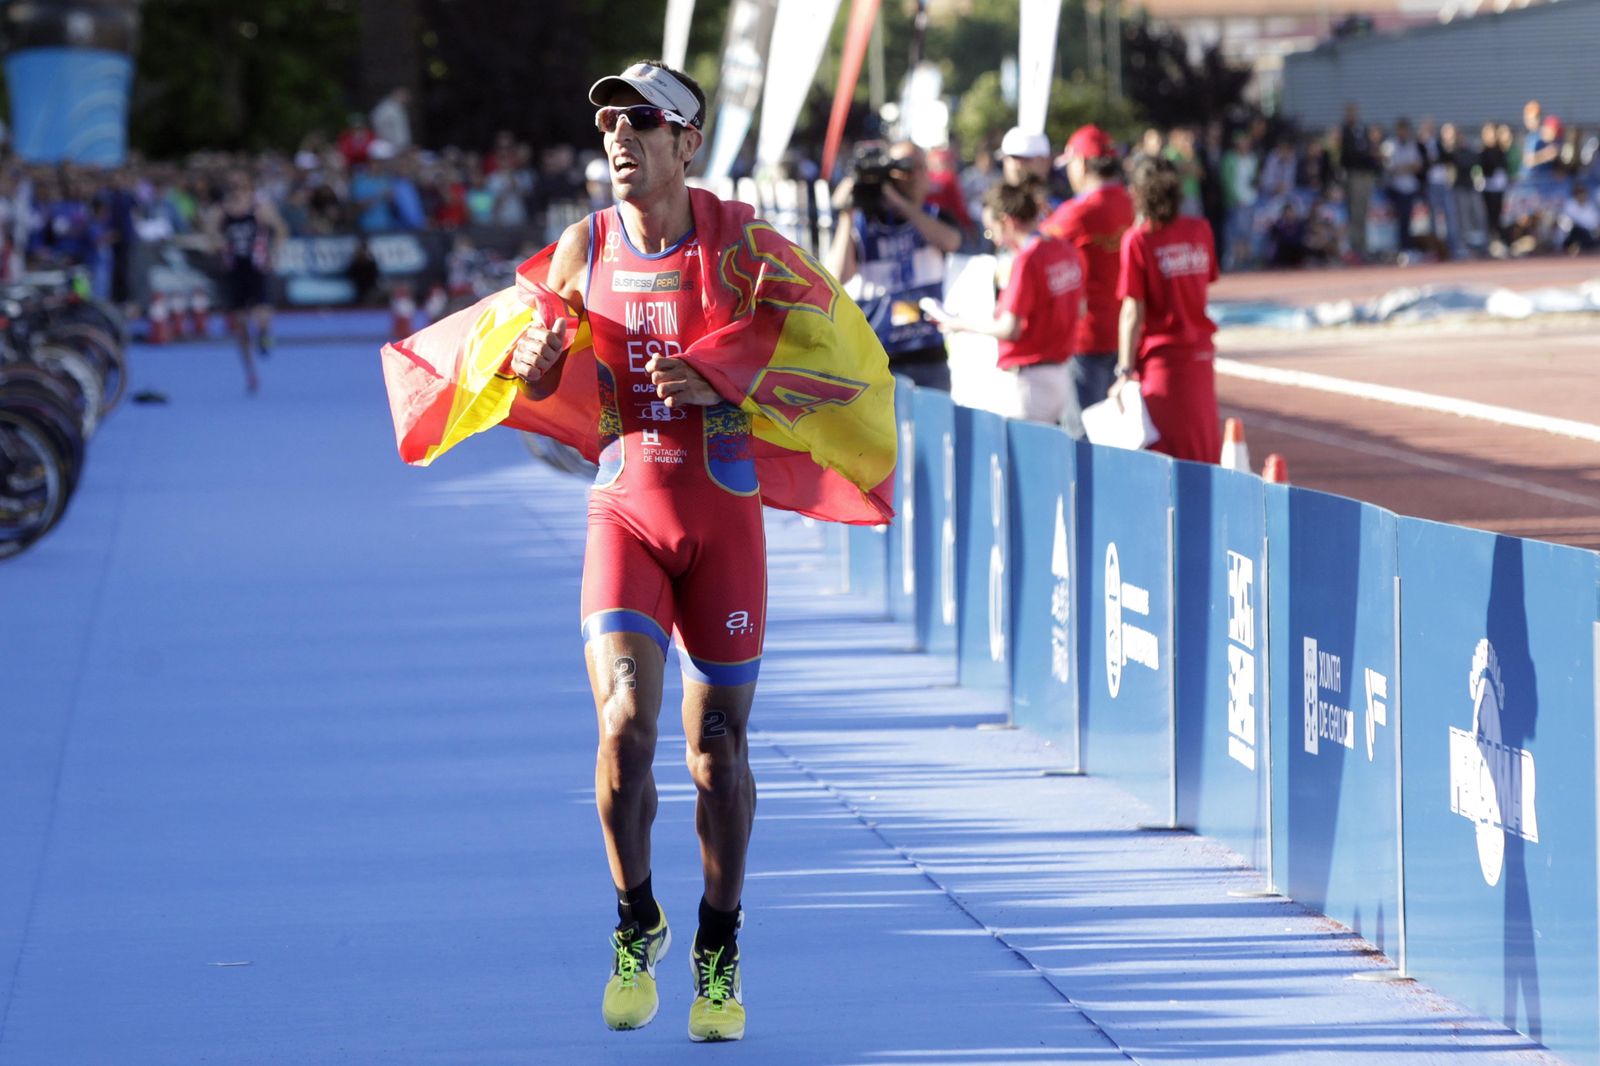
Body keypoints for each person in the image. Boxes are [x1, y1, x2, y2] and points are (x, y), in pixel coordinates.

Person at [502, 60, 893, 1044]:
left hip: (722, 520)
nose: (619, 139)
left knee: (717, 754)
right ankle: (636, 921)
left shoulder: (744, 244)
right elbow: (534, 346)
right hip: (623, 513)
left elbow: (828, 344)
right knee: (623, 727)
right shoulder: (582, 244)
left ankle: (718, 945)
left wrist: (728, 378)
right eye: (606, 125)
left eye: (641, 122)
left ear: (687, 139)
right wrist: (537, 361)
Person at [928, 180, 1083, 423]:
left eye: (992, 231)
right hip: (1060, 374)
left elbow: (1009, 328)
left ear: (1008, 222)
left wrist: (958, 323)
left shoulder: (1028, 259)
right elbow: (1080, 309)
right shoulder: (1063, 248)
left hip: (1030, 383)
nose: (995, 240)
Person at [827, 139, 962, 390]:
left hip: (927, 354)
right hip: (875, 357)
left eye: (921, 167)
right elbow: (836, 276)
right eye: (905, 169)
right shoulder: (861, 223)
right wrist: (847, 212)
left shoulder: (933, 217)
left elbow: (952, 241)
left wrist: (900, 205)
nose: (915, 175)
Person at [1112, 155, 1220, 465]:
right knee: (1202, 455)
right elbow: (1205, 281)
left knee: (1163, 461)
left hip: (1163, 364)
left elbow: (1132, 311)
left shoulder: (1138, 240)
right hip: (1199, 357)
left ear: (1137, 192)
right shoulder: (1200, 229)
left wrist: (1124, 368)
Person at [1041, 124, 1135, 439]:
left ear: (1081, 163)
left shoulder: (1075, 212)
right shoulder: (1132, 202)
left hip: (1085, 336)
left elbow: (1034, 249)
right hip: (1126, 332)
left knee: (1080, 434)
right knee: (1123, 432)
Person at [206, 170, 287, 394]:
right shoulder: (220, 211)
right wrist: (217, 244)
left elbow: (281, 229)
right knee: (240, 324)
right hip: (234, 271)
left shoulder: (259, 208)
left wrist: (274, 254)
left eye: (241, 186)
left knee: (261, 316)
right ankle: (250, 373)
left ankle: (264, 336)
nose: (237, 191)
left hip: (257, 268)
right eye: (233, 186)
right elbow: (210, 233)